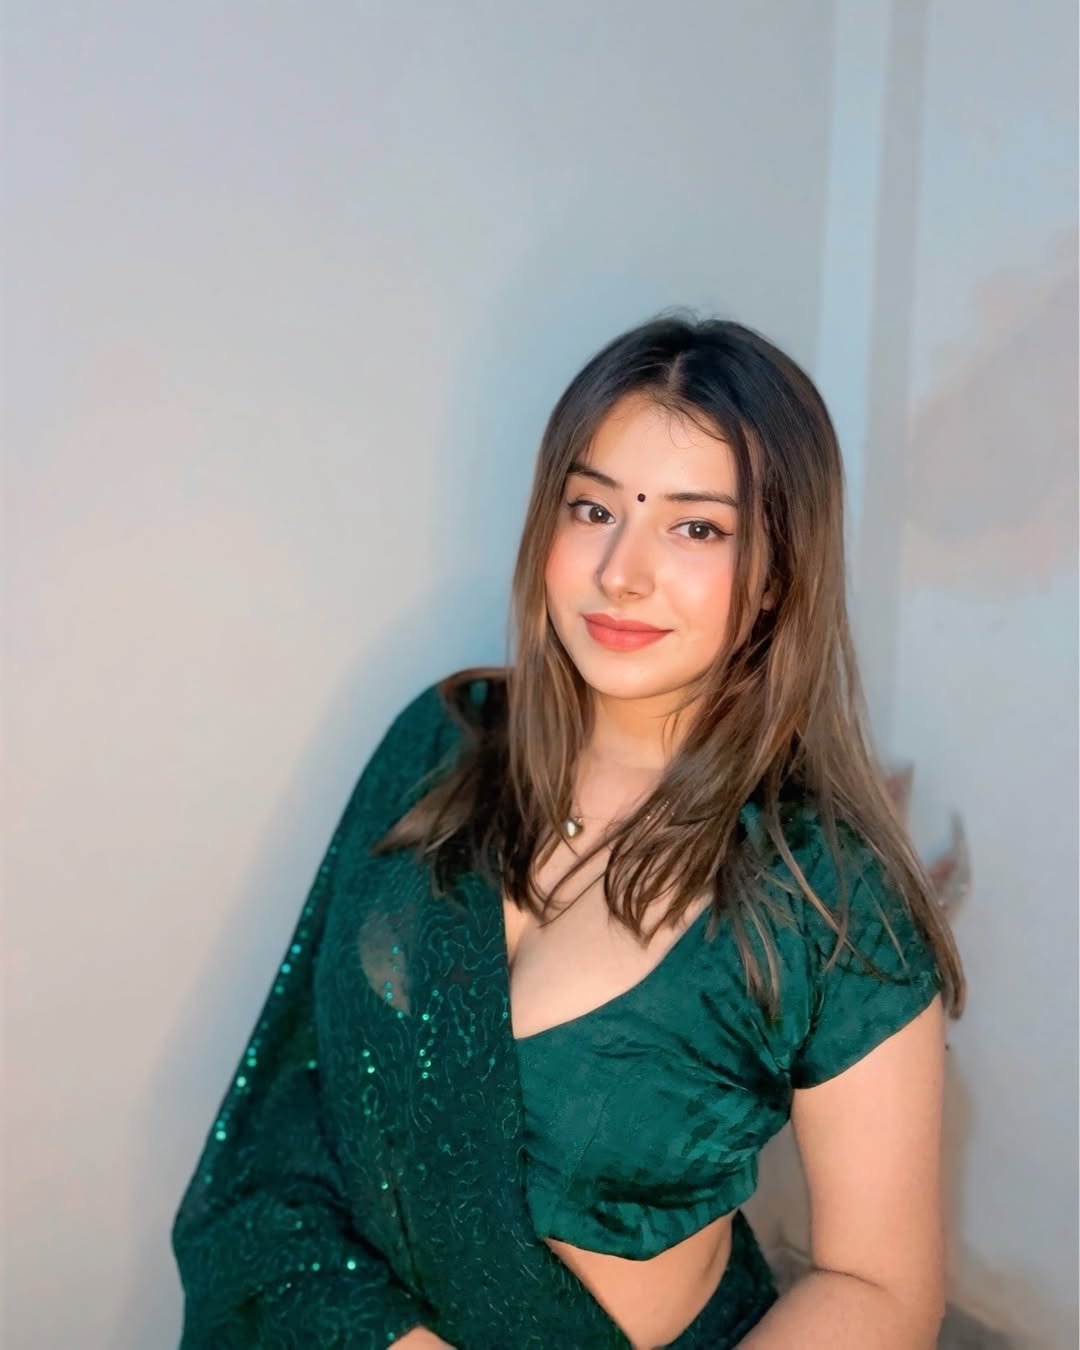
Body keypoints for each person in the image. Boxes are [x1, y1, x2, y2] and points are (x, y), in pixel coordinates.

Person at [171, 314, 966, 1349]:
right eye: (593, 508)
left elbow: (879, 1284)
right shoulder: (441, 745)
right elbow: (288, 1106)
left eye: (696, 529)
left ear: (779, 572)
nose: (620, 571)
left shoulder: (829, 893)